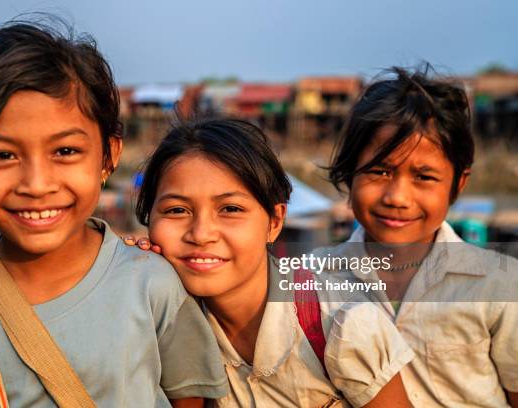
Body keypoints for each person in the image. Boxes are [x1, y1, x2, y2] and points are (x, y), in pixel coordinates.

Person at [0, 20, 227, 407]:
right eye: (3, 155)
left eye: (65, 152)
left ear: (108, 156)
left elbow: (187, 398)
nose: (37, 185)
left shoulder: (152, 283)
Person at [130, 118, 415, 407]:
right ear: (149, 220)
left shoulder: (341, 322)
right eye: (177, 210)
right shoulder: (158, 321)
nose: (201, 234)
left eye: (230, 209)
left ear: (275, 221)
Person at [323, 65, 518, 407]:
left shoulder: (500, 287)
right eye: (379, 171)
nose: (397, 197)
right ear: (350, 172)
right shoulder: (311, 279)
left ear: (458, 183)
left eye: (424, 177)